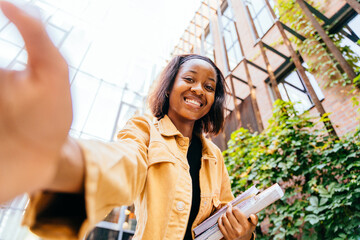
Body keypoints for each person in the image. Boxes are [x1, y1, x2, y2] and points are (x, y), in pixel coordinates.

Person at [0, 2, 258, 240]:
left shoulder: (214, 155)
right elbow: (122, 165)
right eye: (189, 79)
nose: (199, 90)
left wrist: (244, 233)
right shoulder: (144, 129)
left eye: (209, 86)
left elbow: (227, 213)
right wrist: (59, 160)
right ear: (169, 87)